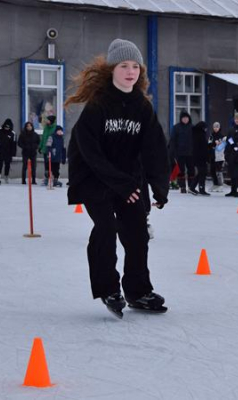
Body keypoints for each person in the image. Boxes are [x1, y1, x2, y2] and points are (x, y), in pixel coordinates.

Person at [65, 38, 170, 317]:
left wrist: (160, 186)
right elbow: (89, 152)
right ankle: (108, 288)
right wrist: (120, 183)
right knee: (106, 228)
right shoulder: (98, 106)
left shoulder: (142, 107)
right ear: (112, 69)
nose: (130, 71)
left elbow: (155, 148)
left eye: (135, 66)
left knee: (137, 232)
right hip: (94, 178)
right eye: (124, 65)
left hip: (127, 181)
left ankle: (138, 291)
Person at [170, 111, 193, 193]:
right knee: (181, 170)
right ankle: (182, 186)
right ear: (181, 119)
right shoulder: (176, 128)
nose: (185, 119)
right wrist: (172, 152)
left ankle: (191, 186)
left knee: (191, 170)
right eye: (183, 118)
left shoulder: (192, 128)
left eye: (187, 118)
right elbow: (172, 140)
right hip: (180, 153)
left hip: (191, 153)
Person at [189, 121, 210, 196]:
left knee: (200, 173)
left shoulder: (194, 134)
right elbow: (204, 147)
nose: (206, 130)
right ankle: (199, 188)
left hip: (196, 157)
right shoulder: (200, 135)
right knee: (202, 173)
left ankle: (195, 188)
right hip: (201, 157)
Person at [0, 119, 17, 184]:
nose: (6, 128)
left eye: (8, 127)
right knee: (0, 163)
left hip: (8, 152)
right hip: (0, 151)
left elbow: (14, 144)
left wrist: (13, 154)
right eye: (5, 127)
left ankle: (6, 176)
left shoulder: (13, 133)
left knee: (7, 164)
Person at [39, 115, 56, 185]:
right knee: (46, 164)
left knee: (52, 165)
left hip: (52, 150)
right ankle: (46, 178)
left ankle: (54, 178)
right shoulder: (46, 128)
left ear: (51, 121)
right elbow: (43, 139)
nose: (47, 121)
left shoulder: (55, 128)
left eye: (48, 120)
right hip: (45, 149)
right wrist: (40, 147)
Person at [209, 122, 225, 192]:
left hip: (220, 156)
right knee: (212, 170)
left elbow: (224, 145)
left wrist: (218, 144)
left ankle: (220, 185)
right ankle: (215, 184)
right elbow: (209, 144)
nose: (215, 128)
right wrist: (213, 144)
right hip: (213, 155)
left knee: (219, 170)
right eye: (214, 127)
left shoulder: (222, 136)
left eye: (217, 127)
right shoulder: (211, 135)